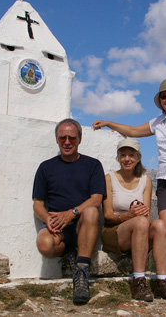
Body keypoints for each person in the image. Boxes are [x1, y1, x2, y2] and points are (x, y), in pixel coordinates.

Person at [93, 78, 166, 298]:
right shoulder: (158, 122)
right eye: (164, 96)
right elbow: (132, 130)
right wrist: (110, 123)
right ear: (160, 100)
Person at [32, 118, 106, 305]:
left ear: (79, 139)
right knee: (44, 245)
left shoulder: (93, 165)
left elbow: (96, 199)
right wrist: (47, 219)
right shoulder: (46, 167)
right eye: (62, 138)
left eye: (72, 138)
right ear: (57, 140)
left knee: (91, 212)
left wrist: (72, 213)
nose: (67, 142)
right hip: (57, 226)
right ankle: (68, 254)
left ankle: (81, 272)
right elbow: (38, 204)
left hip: (82, 223)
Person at [102, 138, 166, 302]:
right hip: (115, 232)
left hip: (139, 229)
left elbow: (146, 214)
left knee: (160, 225)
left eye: (131, 155)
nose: (127, 159)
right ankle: (138, 282)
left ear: (138, 157)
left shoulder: (145, 181)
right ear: (118, 158)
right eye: (123, 155)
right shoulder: (109, 178)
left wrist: (141, 217)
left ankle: (162, 282)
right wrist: (128, 215)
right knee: (140, 222)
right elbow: (108, 216)